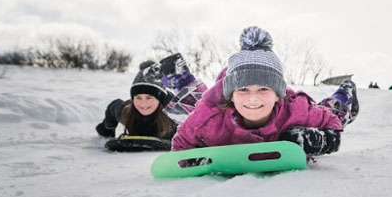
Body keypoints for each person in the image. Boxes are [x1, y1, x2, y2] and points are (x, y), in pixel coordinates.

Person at [171, 26, 358, 156]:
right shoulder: (209, 118)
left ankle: (345, 93)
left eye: (263, 89)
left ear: (278, 94)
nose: (253, 97)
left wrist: (316, 140)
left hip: (313, 113)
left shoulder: (297, 110)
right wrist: (194, 160)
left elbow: (332, 125)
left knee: (335, 110)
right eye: (243, 89)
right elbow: (181, 144)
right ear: (231, 95)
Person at [96, 61, 178, 139]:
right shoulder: (125, 111)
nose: (143, 103)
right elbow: (113, 106)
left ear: (159, 100)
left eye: (149, 98)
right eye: (138, 98)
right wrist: (108, 127)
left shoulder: (174, 115)